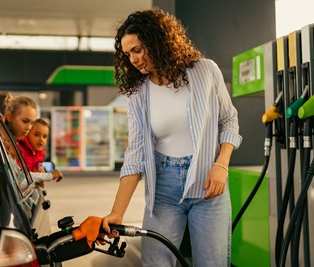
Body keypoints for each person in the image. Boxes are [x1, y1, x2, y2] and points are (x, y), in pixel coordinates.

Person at [101, 8, 242, 267]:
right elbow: (135, 155)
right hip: (163, 188)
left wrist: (221, 164)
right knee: (156, 264)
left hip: (208, 185)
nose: (133, 59)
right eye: (127, 53)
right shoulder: (138, 94)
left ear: (158, 41)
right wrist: (117, 212)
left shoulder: (204, 71)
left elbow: (228, 120)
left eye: (138, 49)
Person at [3, 93, 62, 183]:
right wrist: (48, 176)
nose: (29, 127)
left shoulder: (14, 141)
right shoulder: (3, 142)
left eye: (32, 123)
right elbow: (18, 177)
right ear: (9, 117)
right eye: (25, 121)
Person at [26, 118, 63, 183]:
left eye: (44, 136)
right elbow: (23, 176)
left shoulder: (40, 155)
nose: (41, 139)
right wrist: (49, 175)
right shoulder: (21, 152)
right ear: (27, 133)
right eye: (36, 135)